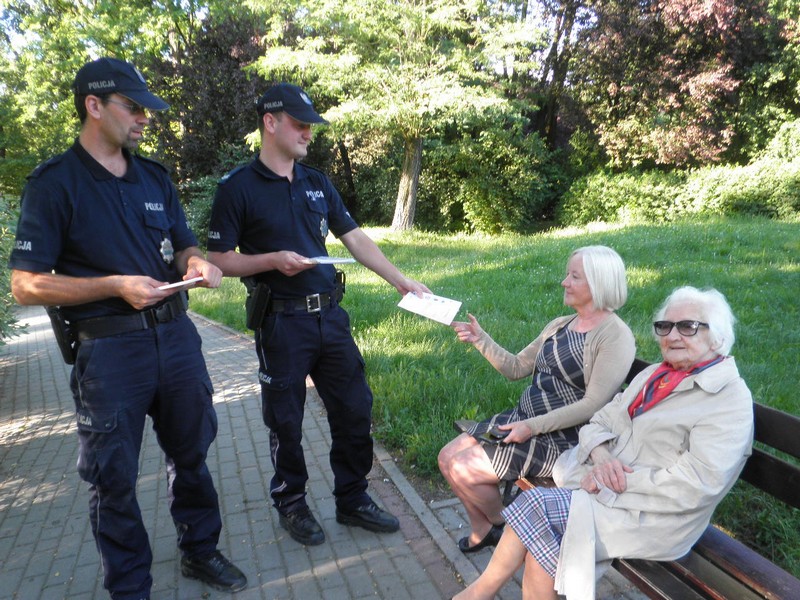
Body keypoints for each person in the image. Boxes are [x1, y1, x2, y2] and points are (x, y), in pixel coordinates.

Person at [8, 58, 246, 600]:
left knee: (192, 453)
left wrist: (195, 264)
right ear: (94, 106)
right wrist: (114, 285)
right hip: (110, 353)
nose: (145, 119)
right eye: (133, 107)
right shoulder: (54, 184)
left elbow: (184, 242)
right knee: (112, 477)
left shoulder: (154, 176)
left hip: (177, 341)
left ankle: (200, 550)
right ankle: (130, 585)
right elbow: (25, 285)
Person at [206, 82, 430, 547]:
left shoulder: (317, 183)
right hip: (281, 323)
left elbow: (356, 238)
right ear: (271, 123)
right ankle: (292, 503)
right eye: (300, 124)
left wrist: (400, 279)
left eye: (311, 125)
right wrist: (271, 260)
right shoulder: (237, 189)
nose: (309, 133)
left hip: (330, 317)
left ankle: (353, 498)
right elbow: (220, 260)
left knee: (354, 409)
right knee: (285, 419)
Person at [453, 286, 754, 600]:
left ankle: (475, 595)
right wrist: (601, 458)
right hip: (606, 489)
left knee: (536, 506)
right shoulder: (654, 375)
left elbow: (696, 486)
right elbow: (599, 421)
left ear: (717, 336)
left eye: (688, 326)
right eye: (665, 326)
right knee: (543, 542)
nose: (673, 335)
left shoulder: (728, 401)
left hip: (655, 515)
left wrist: (615, 479)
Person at [438, 245, 635, 554]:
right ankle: (488, 528)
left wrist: (530, 426)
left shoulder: (615, 336)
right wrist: (481, 339)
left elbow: (592, 405)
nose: (564, 282)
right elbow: (516, 367)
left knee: (465, 468)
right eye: (567, 275)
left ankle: (505, 529)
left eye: (574, 276)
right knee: (446, 458)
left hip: (562, 438)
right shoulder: (560, 325)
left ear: (599, 283)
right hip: (524, 421)